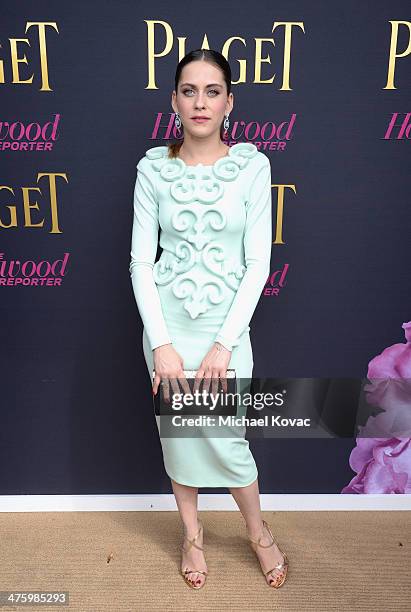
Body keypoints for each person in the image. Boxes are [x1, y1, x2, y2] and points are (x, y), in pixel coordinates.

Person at [129, 49, 289, 590]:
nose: (201, 102)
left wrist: (225, 343)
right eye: (190, 90)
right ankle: (192, 535)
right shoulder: (153, 168)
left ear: (228, 102)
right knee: (179, 440)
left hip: (226, 333)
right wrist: (160, 346)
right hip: (169, 332)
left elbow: (258, 263)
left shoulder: (253, 166)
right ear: (174, 100)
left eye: (212, 91)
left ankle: (257, 533)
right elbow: (140, 264)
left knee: (226, 441)